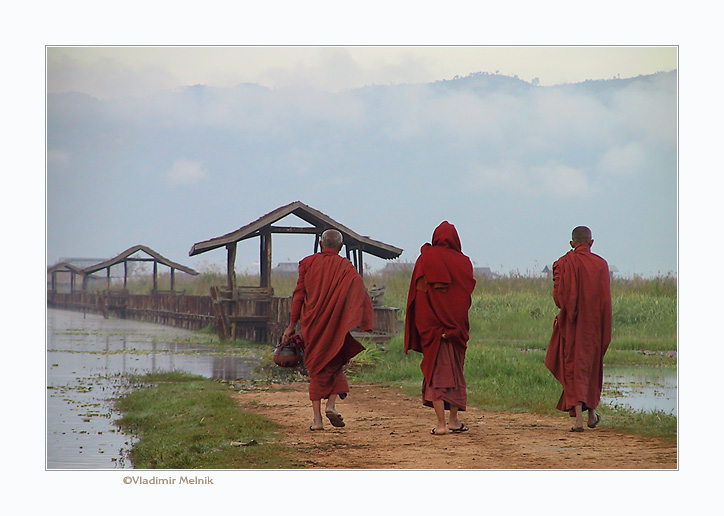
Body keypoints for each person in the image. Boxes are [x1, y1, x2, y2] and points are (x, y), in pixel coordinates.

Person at [282, 229, 374, 431]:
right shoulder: (345, 266)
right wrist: (357, 317)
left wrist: (291, 325)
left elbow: (298, 295)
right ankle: (331, 405)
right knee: (334, 363)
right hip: (335, 325)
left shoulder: (308, 263)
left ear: (321, 244)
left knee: (316, 369)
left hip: (312, 325)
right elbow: (358, 287)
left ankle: (317, 421)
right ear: (340, 247)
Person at [404, 221, 476, 435]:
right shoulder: (464, 263)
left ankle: (442, 425)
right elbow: (463, 299)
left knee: (436, 377)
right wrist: (453, 327)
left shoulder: (425, 260)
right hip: (455, 330)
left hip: (433, 330)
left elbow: (420, 297)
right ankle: (453, 420)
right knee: (454, 376)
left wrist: (429, 328)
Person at [545, 226, 612, 432]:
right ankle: (591, 415)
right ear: (591, 243)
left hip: (572, 326)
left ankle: (578, 421)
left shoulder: (563, 264)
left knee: (573, 367)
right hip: (594, 328)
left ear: (572, 244)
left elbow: (559, 299)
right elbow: (604, 302)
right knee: (590, 367)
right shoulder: (601, 265)